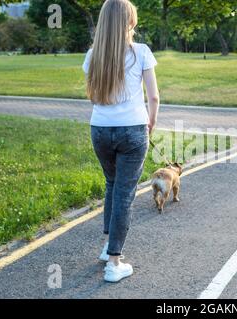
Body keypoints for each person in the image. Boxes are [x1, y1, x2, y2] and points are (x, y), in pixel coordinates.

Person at [82, 0, 160, 283]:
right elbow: (153, 96)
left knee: (113, 184)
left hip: (100, 130)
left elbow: (94, 95)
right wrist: (151, 122)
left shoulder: (93, 55)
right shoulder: (141, 52)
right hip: (132, 129)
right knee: (125, 193)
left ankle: (107, 247)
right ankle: (114, 263)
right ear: (130, 22)